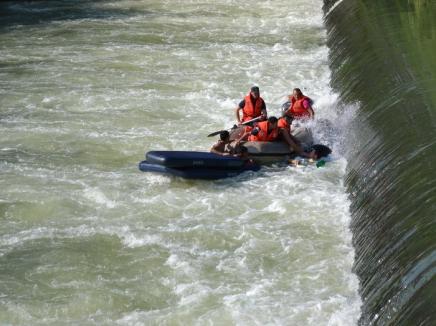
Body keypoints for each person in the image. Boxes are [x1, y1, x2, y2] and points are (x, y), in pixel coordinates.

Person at [236, 116, 316, 158]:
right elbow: (248, 133)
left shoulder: (276, 129)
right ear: (271, 124)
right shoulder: (259, 128)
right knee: (286, 136)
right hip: (256, 142)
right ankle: (305, 154)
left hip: (270, 140)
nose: (277, 125)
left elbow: (287, 135)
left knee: (286, 135)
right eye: (275, 124)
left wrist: (295, 139)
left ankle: (304, 151)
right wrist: (239, 140)